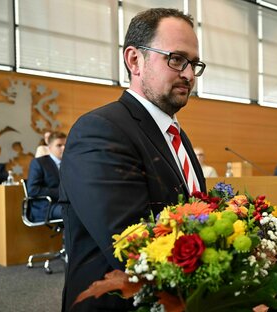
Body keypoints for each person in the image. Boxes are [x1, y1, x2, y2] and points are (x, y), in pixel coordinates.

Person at [59, 8, 207, 311]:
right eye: (176, 59)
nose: (189, 74)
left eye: (194, 63)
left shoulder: (174, 133)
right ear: (134, 60)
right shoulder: (100, 130)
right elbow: (130, 247)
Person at [26, 131, 66, 222]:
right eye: (59, 145)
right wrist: (61, 193)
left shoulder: (70, 164)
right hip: (47, 205)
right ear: (50, 147)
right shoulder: (39, 163)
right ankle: (68, 236)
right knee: (74, 212)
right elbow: (32, 190)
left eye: (65, 145)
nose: (63, 148)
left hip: (65, 203)